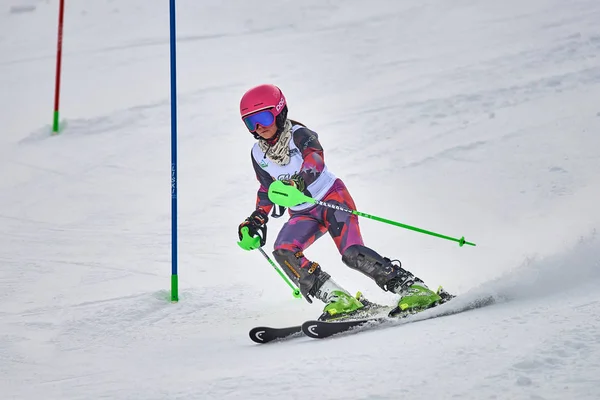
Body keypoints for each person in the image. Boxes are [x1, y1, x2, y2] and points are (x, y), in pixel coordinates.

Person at [237, 83, 447, 320]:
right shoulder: (258, 153)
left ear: (279, 111)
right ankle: (338, 298)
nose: (258, 127)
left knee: (352, 254)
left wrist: (297, 183)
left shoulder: (299, 135)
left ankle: (412, 288)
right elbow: (266, 188)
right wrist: (257, 218)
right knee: (284, 251)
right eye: (250, 122)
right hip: (302, 214)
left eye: (263, 117)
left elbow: (315, 161)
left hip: (331, 200)